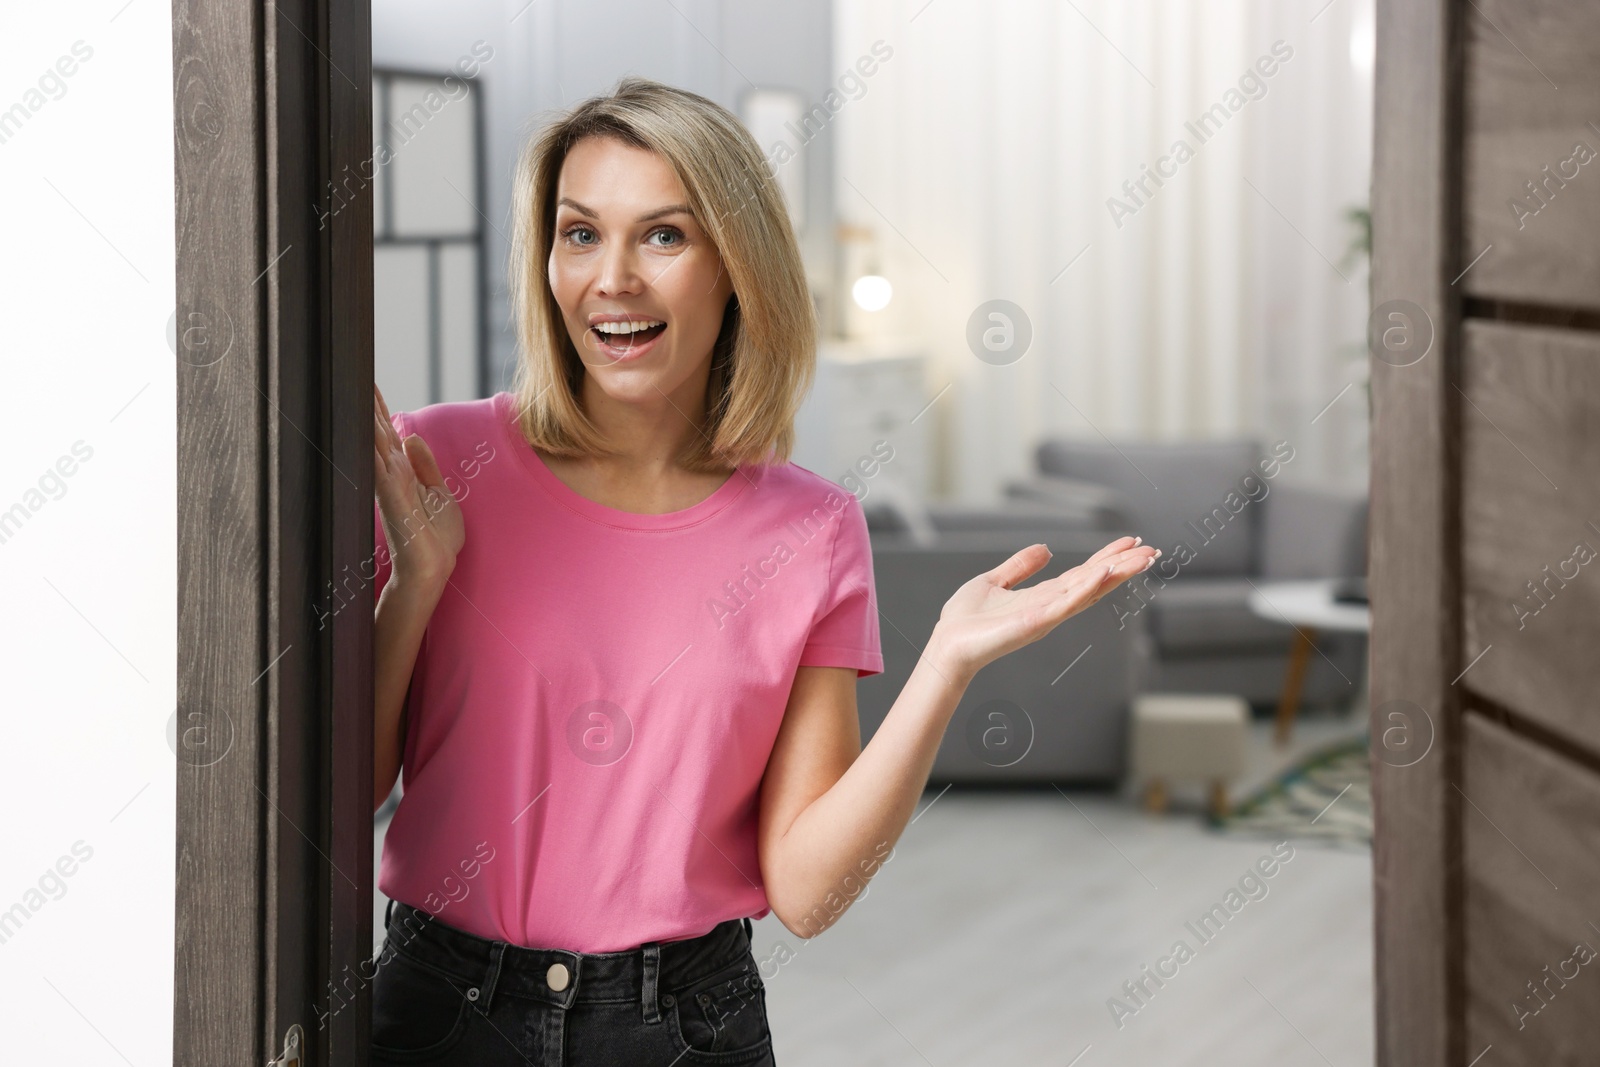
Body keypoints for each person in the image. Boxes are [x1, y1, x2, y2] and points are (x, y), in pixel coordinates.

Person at [368, 75, 1156, 1067]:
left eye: (664, 235)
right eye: (579, 233)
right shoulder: (440, 464)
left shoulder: (812, 530)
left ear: (736, 266)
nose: (612, 276)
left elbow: (807, 889)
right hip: (440, 1008)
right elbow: (341, 791)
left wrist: (946, 662)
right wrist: (417, 581)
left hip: (681, 1022)